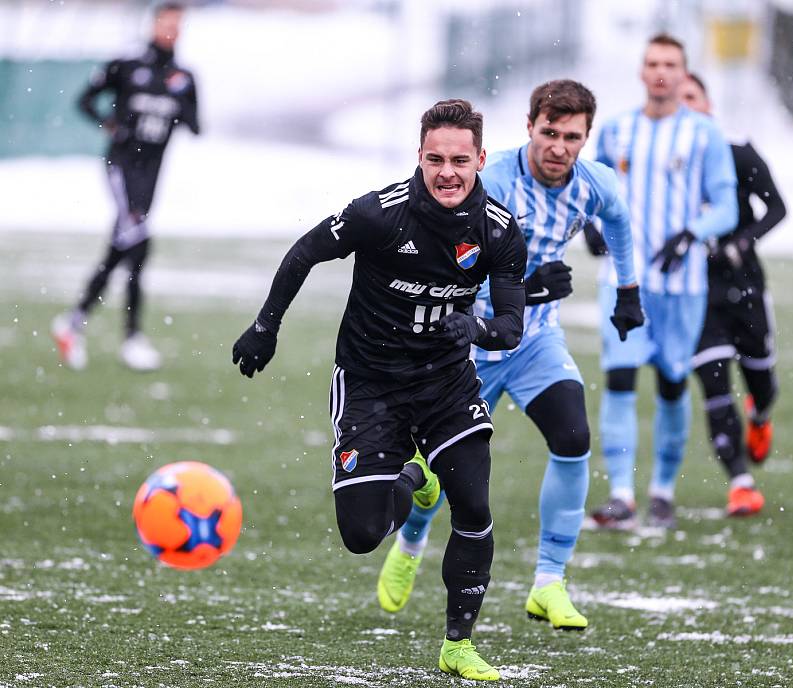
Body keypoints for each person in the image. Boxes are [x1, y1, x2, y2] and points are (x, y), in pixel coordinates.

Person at [232, 99, 527, 681]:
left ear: (481, 160)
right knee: (362, 535)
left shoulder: (498, 229)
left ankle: (458, 644)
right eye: (435, 158)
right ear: (418, 157)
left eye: (460, 161)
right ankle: (415, 475)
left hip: (446, 384)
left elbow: (511, 328)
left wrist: (477, 327)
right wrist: (266, 325)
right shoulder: (379, 214)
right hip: (370, 384)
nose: (448, 172)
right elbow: (306, 251)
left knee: (474, 505)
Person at [375, 80, 643, 630]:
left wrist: (630, 288)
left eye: (572, 137)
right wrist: (525, 285)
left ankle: (549, 580)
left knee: (573, 438)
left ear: (586, 137)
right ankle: (411, 541)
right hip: (465, 343)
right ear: (529, 128)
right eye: (549, 132)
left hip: (534, 341)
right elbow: (444, 262)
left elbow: (617, 222)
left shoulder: (594, 184)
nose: (559, 147)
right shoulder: (489, 180)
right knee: (444, 474)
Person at [587, 33, 738, 530]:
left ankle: (662, 493)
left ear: (683, 71)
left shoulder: (704, 134)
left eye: (670, 63)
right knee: (620, 379)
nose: (661, 71)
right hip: (624, 281)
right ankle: (623, 495)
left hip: (683, 285)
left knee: (673, 384)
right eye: (653, 62)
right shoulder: (616, 131)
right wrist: (589, 225)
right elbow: (593, 190)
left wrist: (691, 234)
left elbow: (727, 207)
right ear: (641, 70)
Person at [51, 2, 200, 371]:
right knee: (139, 246)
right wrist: (111, 124)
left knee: (121, 249)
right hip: (122, 166)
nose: (172, 30)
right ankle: (132, 338)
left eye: (178, 24)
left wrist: (179, 109)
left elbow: (196, 124)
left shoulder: (183, 76)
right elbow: (85, 100)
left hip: (151, 175)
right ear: (153, 24)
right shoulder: (127, 65)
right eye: (166, 22)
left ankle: (73, 322)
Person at [678, 73, 785, 516]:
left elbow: (777, 208)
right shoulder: (663, 167)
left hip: (744, 288)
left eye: (691, 97)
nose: (683, 107)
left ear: (708, 103)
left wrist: (742, 242)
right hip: (695, 293)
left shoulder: (738, 154)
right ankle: (741, 482)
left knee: (761, 381)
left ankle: (760, 416)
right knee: (714, 384)